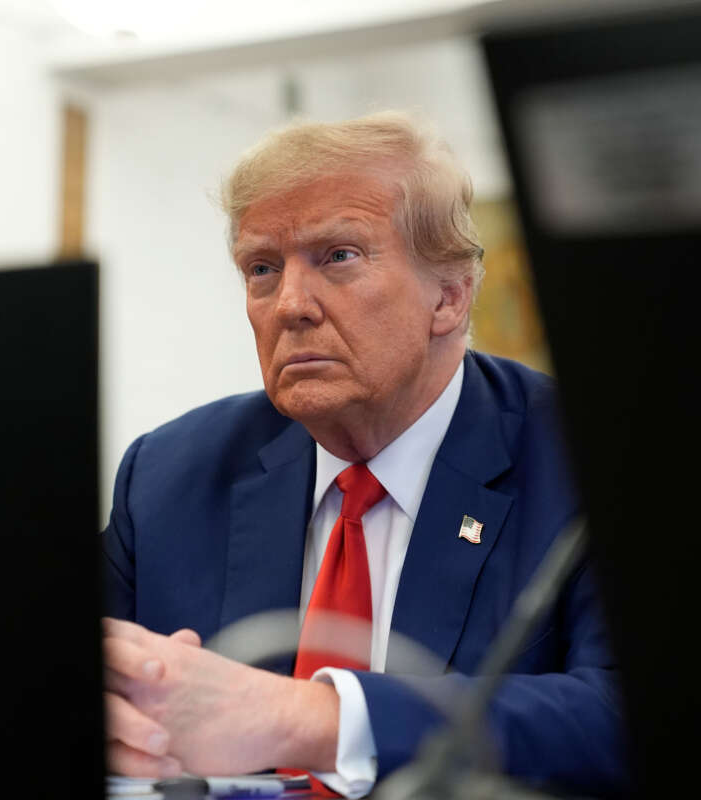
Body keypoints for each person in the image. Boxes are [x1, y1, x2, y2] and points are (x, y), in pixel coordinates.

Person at [100, 112, 626, 797]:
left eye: (338, 256)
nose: (289, 304)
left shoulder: (580, 458)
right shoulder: (171, 474)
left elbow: (624, 715)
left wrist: (311, 718)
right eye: (261, 268)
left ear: (450, 294)